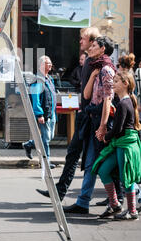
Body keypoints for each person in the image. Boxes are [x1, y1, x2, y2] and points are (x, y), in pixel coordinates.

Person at [36, 26, 100, 202]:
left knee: (97, 159)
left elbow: (96, 94)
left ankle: (119, 196)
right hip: (85, 114)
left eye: (83, 38)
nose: (80, 41)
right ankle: (61, 192)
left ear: (93, 42)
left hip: (91, 117)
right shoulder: (88, 62)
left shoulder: (95, 63)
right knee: (73, 154)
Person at [64, 36, 116, 214]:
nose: (90, 49)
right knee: (91, 161)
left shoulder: (107, 69)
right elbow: (86, 95)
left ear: (103, 49)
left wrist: (102, 127)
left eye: (94, 46)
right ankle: (84, 201)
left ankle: (124, 198)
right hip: (93, 118)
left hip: (102, 121)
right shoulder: (96, 69)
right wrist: (93, 75)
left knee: (107, 163)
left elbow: (108, 101)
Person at [92, 71, 141, 220]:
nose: (113, 83)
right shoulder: (124, 103)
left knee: (126, 177)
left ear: (125, 84)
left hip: (124, 144)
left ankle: (132, 211)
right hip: (120, 143)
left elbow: (118, 129)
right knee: (103, 169)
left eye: (117, 81)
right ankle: (114, 204)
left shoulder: (123, 103)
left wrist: (104, 136)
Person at [22, 55, 57, 169]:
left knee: (49, 137)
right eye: (48, 63)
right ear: (42, 65)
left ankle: (29, 144)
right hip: (44, 114)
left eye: (50, 63)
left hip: (51, 114)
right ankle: (45, 162)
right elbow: (35, 99)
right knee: (46, 140)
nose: (50, 65)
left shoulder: (50, 79)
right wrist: (39, 114)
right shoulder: (36, 80)